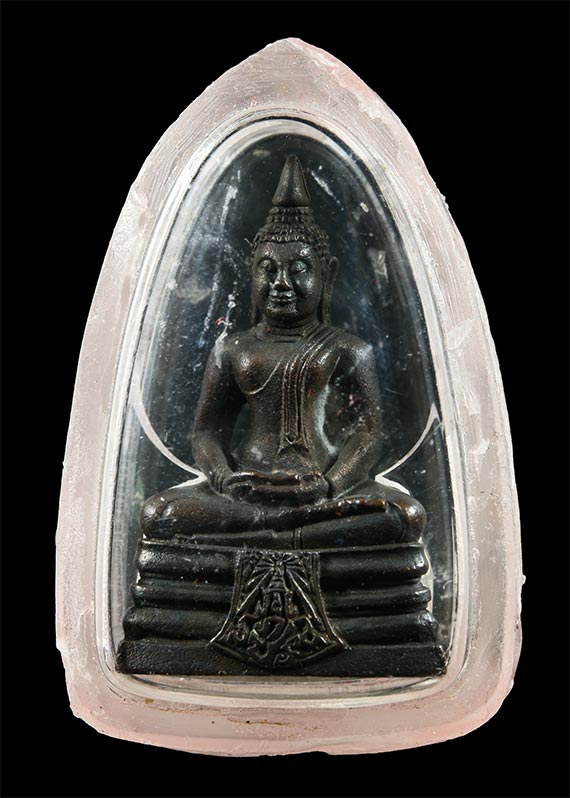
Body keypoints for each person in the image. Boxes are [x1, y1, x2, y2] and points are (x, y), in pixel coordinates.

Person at [141, 155, 425, 548]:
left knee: (406, 516)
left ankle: (274, 528)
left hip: (320, 489)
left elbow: (368, 434)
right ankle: (291, 528)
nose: (281, 283)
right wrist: (223, 477)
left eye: (299, 269)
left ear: (327, 274)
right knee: (158, 513)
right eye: (269, 269)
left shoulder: (347, 349)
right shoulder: (232, 349)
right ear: (251, 272)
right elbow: (205, 431)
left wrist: (331, 485)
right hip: (246, 489)